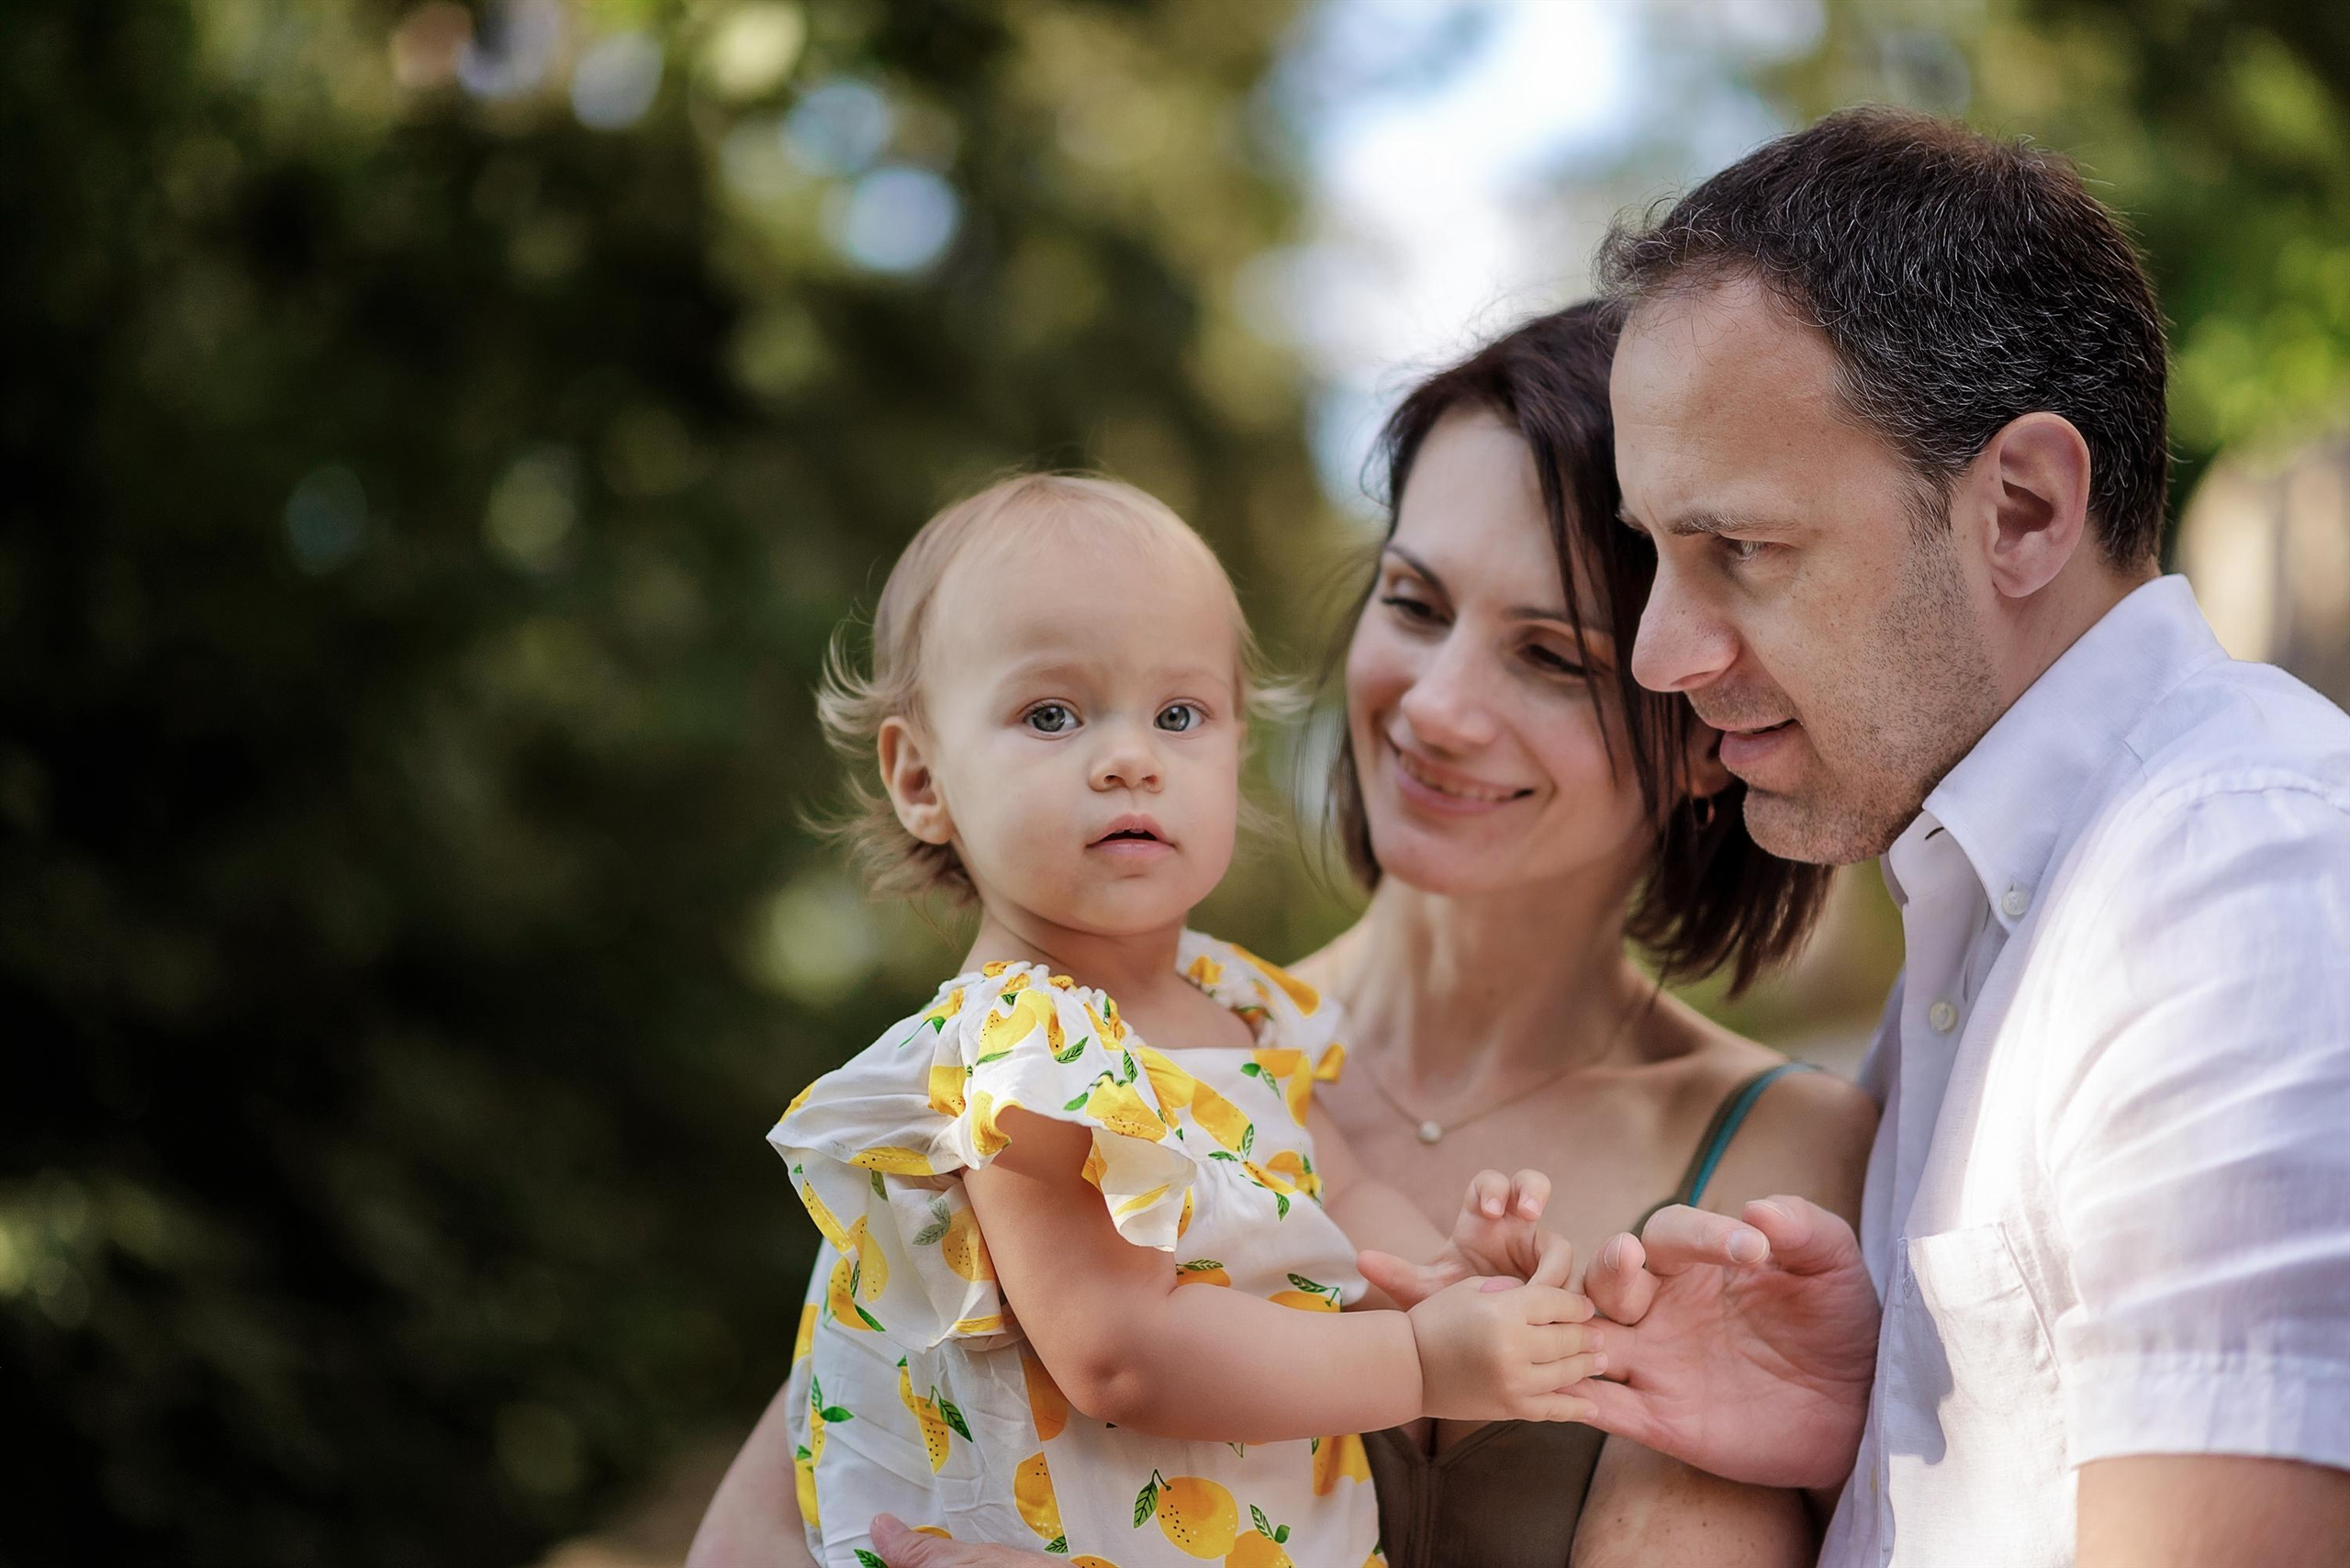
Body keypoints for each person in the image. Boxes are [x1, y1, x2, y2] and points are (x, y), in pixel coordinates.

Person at [688, 305, 1881, 1568]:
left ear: (1707, 726)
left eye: (1550, 656)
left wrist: (1458, 1298)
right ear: (920, 775)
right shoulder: (1050, 1057)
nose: (1436, 706)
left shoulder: (1776, 1164)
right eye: (1415, 603)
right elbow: (804, 1496)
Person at [1572, 106, 2350, 1566]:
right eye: (1653, 554)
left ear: (2026, 508)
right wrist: (1857, 1442)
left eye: (1741, 550)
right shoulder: (1985, 918)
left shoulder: (2231, 890)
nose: (1658, 650)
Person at [763, 471, 1597, 1567]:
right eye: (1051, 714)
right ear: (922, 778)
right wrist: (1423, 1361)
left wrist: (1438, 1275)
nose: (1128, 756)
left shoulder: (1240, 1002)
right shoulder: (1023, 1050)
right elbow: (1123, 1352)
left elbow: (1337, 1191)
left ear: (1235, 743)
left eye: (1178, 713)